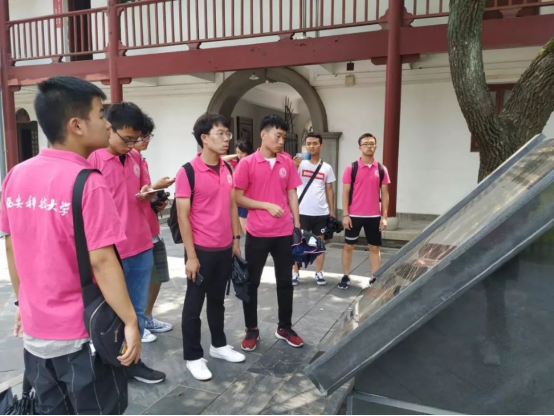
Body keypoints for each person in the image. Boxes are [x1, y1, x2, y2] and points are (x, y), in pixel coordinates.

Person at [1, 76, 141, 415]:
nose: (107, 124)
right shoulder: (88, 182)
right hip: (81, 336)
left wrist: (24, 301)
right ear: (76, 125)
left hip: (36, 334)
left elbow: (11, 247)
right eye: (100, 114)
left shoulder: (16, 175)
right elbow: (102, 262)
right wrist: (130, 321)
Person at [88, 102, 166, 385]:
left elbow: (142, 192)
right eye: (127, 139)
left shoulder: (135, 158)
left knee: (137, 309)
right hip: (110, 250)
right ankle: (105, 364)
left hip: (141, 243)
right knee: (107, 313)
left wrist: (150, 195)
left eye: (136, 140)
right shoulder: (93, 160)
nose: (132, 145)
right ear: (109, 128)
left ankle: (132, 362)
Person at [176, 113, 245, 382]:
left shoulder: (227, 168)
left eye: (228, 134)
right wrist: (191, 256)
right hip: (201, 249)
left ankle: (218, 345)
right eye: (221, 133)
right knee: (193, 305)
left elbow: (231, 205)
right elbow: (183, 217)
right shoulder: (188, 172)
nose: (227, 139)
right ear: (204, 138)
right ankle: (193, 356)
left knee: (218, 300)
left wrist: (236, 240)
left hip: (224, 247)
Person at [234, 115, 305, 352]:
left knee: (285, 282)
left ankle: (285, 327)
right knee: (251, 283)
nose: (281, 141)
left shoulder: (287, 162)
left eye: (284, 136)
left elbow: (292, 193)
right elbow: (237, 197)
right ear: (263, 135)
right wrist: (266, 206)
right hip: (257, 233)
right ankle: (251, 329)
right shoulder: (247, 163)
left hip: (284, 233)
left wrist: (297, 225)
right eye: (278, 135)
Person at [133, 115, 175, 343]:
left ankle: (147, 317)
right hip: (135, 233)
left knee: (157, 275)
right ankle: (136, 323)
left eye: (149, 135)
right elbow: (131, 196)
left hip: (151, 227)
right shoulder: (119, 160)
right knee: (138, 279)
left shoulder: (141, 160)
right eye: (142, 135)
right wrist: (154, 187)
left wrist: (156, 200)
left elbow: (142, 196)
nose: (146, 139)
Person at [340, 133, 391, 290]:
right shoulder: (351, 168)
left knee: (374, 247)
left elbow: (385, 194)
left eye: (372, 143)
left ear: (376, 146)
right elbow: (345, 192)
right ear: (359, 147)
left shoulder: (381, 169)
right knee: (349, 246)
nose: (369, 146)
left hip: (374, 216)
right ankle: (346, 276)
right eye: (366, 143)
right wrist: (345, 214)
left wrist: (384, 216)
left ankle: (374, 277)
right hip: (354, 215)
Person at [292, 133, 336, 286]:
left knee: (319, 244)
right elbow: (289, 184)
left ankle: (319, 272)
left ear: (321, 145)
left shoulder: (327, 167)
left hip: (321, 212)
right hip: (301, 211)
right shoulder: (300, 163)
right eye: (308, 143)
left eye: (315, 143)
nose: (311, 146)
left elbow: (329, 189)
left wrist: (332, 210)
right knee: (297, 243)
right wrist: (294, 167)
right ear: (305, 145)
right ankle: (295, 272)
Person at [223, 140, 254, 234]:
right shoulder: (236, 162)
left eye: (242, 152)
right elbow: (222, 159)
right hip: (238, 199)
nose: (239, 155)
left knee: (250, 230)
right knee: (244, 229)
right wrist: (237, 155)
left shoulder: (252, 163)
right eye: (237, 152)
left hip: (249, 198)